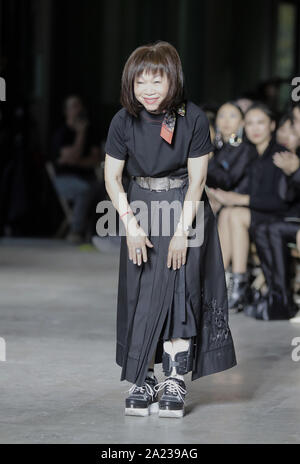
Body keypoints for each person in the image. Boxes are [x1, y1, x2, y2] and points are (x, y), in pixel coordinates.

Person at [104, 41, 237, 419]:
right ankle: (142, 377)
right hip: (141, 206)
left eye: (156, 80)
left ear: (172, 79)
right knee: (140, 292)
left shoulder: (193, 117)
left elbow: (198, 181)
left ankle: (175, 377)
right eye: (140, 81)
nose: (148, 89)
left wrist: (182, 231)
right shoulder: (122, 121)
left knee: (181, 289)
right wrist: (130, 226)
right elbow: (112, 176)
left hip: (183, 205)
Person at [209, 103, 290, 312]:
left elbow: (280, 201)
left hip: (279, 218)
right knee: (228, 213)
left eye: (261, 123)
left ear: (272, 125)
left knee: (234, 213)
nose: (255, 128)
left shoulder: (279, 155)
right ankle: (221, 283)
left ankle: (239, 286)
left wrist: (239, 199)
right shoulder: (253, 154)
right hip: (254, 215)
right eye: (250, 123)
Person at [206, 101, 257, 276]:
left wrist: (209, 161)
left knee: (226, 213)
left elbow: (228, 180)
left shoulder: (244, 148)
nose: (226, 120)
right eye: (222, 115)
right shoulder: (218, 146)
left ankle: (221, 277)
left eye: (232, 116)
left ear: (242, 123)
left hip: (240, 203)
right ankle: (217, 277)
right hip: (222, 203)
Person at [51, 95, 103, 244]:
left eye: (79, 105)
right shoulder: (61, 133)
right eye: (74, 106)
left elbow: (96, 159)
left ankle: (102, 232)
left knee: (110, 190)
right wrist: (81, 134)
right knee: (84, 190)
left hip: (89, 178)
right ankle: (76, 231)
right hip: (64, 179)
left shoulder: (92, 131)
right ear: (66, 111)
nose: (78, 109)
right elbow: (72, 156)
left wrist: (76, 161)